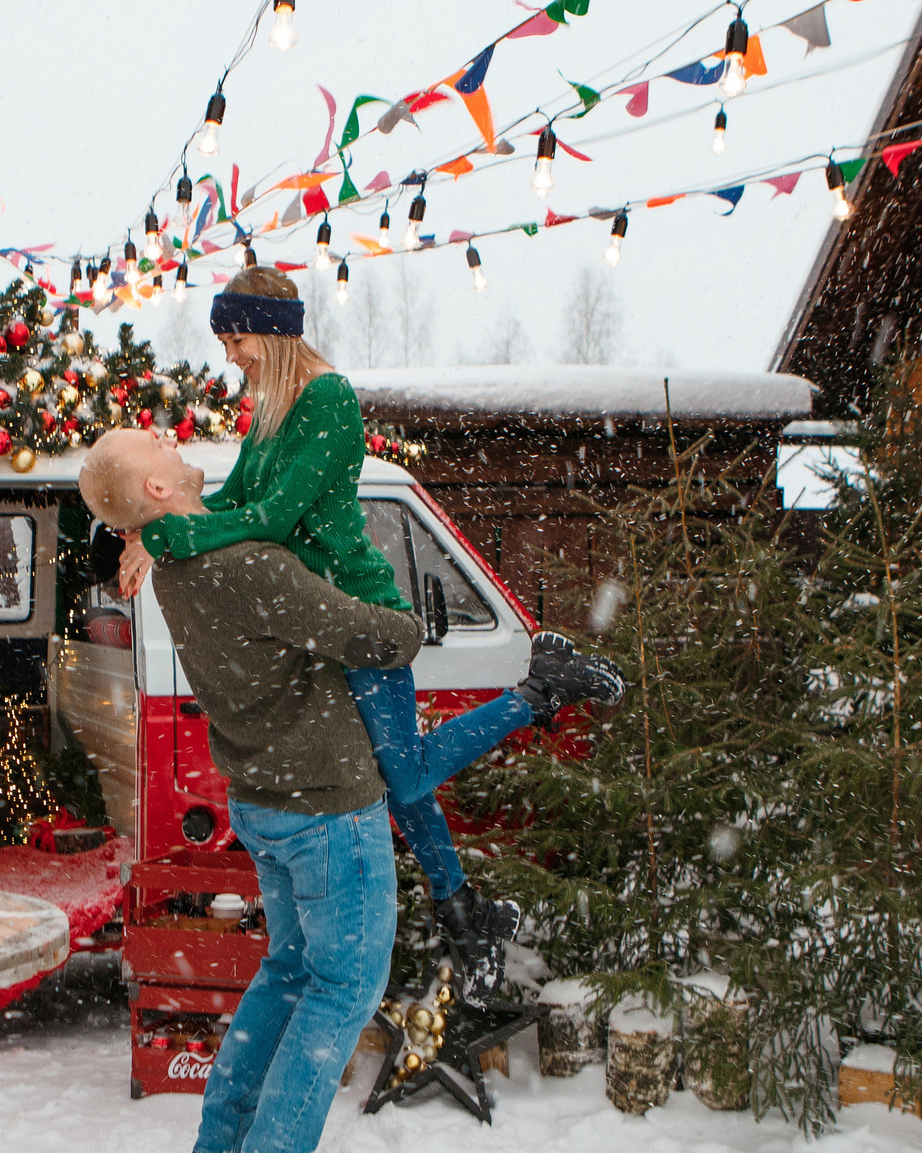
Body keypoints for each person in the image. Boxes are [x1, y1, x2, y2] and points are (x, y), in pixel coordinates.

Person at [77, 428, 610, 1153]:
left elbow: (220, 518)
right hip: (327, 806)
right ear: (156, 492)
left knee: (289, 970)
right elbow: (387, 637)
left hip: (268, 801)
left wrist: (150, 535)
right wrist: (385, 601)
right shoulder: (246, 565)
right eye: (152, 445)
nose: (167, 438)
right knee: (345, 986)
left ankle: (220, 1146)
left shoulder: (181, 562)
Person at [119, 267, 620, 990]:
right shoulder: (272, 405)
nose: (230, 356)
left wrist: (166, 538)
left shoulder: (329, 401)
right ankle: (460, 907)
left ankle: (538, 693)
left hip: (356, 612)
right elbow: (238, 496)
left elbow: (272, 519)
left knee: (403, 772)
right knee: (399, 781)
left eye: (235, 339)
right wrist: (156, 525)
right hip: (316, 624)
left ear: (270, 329)